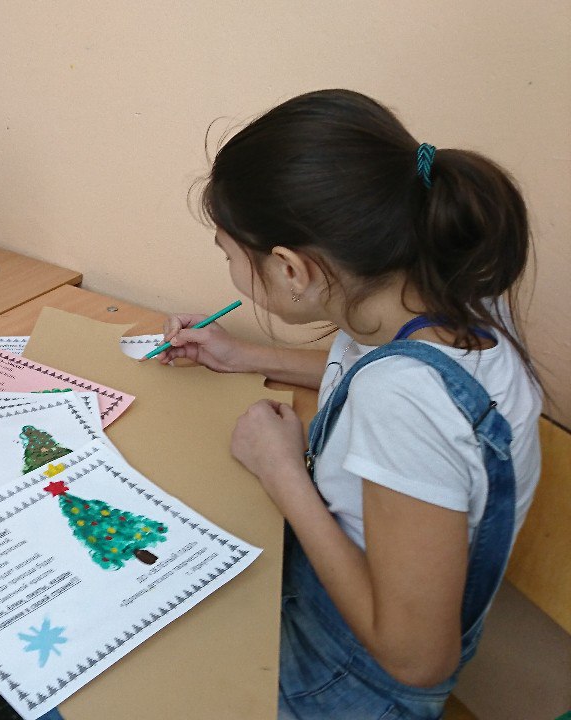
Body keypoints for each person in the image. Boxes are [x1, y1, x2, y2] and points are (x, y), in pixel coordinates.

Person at [153, 90, 542, 719]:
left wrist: (282, 472)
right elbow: (379, 377)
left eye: (229, 253)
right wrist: (245, 356)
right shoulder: (442, 292)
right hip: (333, 614)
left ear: (290, 269)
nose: (230, 268)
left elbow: (417, 659)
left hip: (349, 681)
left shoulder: (404, 403)